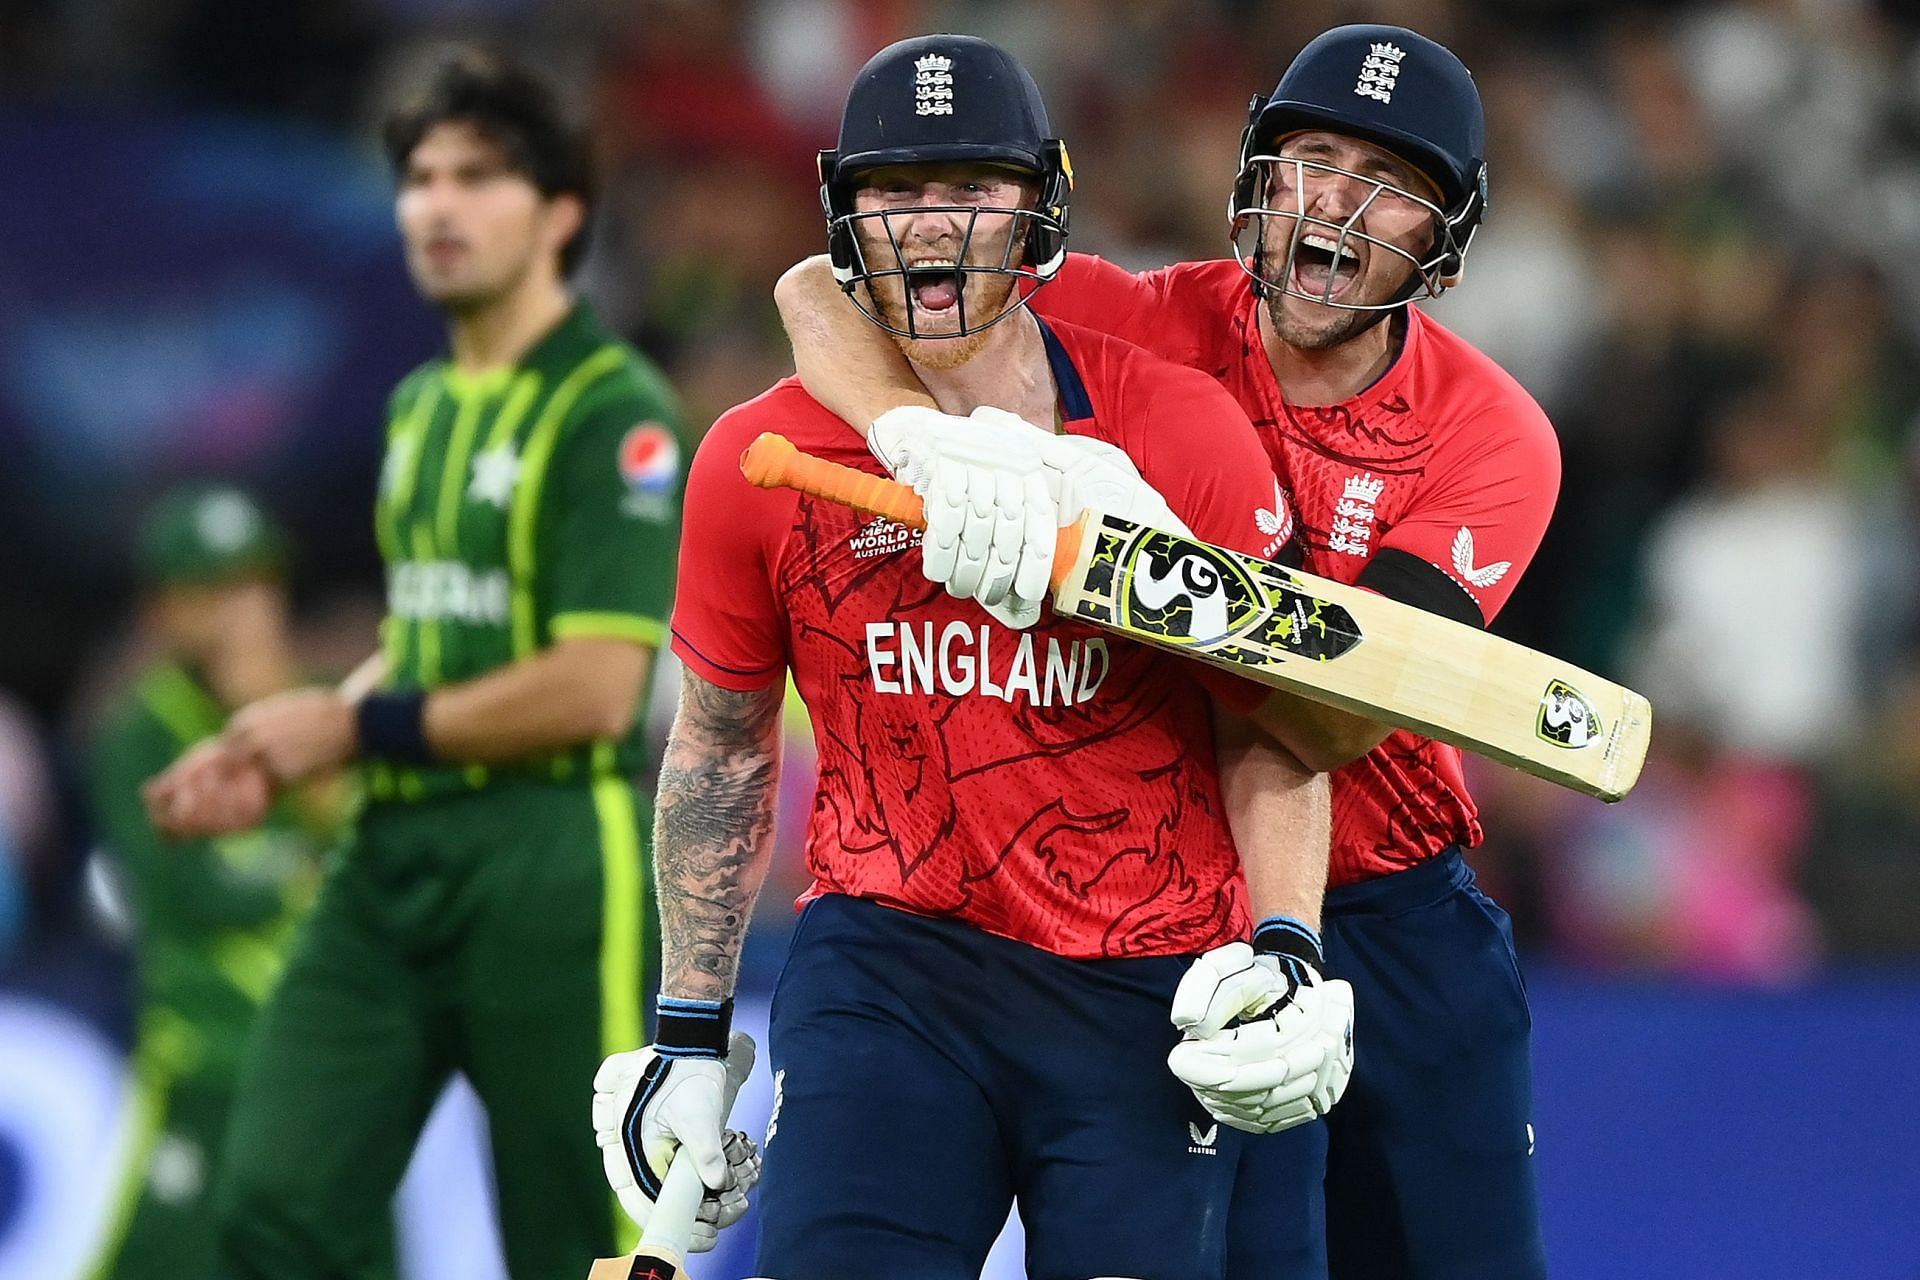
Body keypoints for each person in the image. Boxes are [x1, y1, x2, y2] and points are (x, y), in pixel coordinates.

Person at [775, 23, 1559, 1279]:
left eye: (1391, 187)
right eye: (1312, 160)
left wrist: (1163, 570)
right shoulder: (1137, 312)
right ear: (1256, 177)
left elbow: (1340, 712)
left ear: (1447, 245)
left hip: (1388, 911)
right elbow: (822, 285)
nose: (1337, 209)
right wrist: (913, 436)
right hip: (1167, 911)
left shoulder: (1492, 434)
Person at [591, 34, 1351, 1280]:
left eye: (969, 191)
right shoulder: (753, 461)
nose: (929, 229)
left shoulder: (1179, 429)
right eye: (894, 194)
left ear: (1039, 205)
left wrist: (1287, 945)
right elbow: (722, 743)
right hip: (893, 963)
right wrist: (685, 1030)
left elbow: (1271, 721)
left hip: (1144, 975)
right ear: (844, 216)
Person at [142, 51, 718, 1279]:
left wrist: (352, 732)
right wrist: (280, 733)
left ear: (561, 214)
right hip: (393, 856)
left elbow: (598, 683)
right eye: (418, 178)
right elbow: (427, 634)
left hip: (554, 863)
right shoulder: (418, 408)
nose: (436, 207)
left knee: (579, 1248)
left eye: (478, 177)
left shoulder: (614, 413)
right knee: (274, 1204)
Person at [86, 486, 385, 1280]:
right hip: (213, 1068)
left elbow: (390, 868)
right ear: (162, 610)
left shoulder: (334, 707)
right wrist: (314, 838)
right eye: (209, 591)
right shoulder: (144, 730)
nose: (239, 613)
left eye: (253, 585)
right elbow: (205, 891)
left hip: (339, 1075)